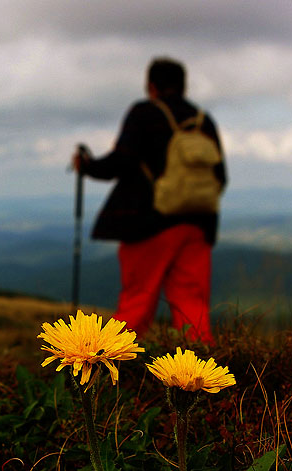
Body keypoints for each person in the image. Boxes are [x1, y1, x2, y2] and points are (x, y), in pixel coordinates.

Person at [73, 57, 227, 344]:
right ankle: (200, 375)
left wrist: (87, 165)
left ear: (151, 86)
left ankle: (110, 370)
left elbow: (121, 162)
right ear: (183, 86)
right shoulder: (204, 122)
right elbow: (221, 177)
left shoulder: (145, 113)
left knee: (137, 301)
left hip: (149, 222)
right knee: (192, 304)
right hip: (198, 223)